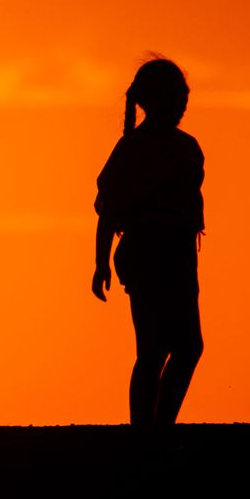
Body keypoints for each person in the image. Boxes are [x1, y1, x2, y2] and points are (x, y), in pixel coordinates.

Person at [92, 57, 205, 427]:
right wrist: (100, 263)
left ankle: (159, 426)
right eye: (177, 96)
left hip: (181, 258)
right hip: (146, 258)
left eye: (184, 96)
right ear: (155, 101)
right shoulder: (132, 149)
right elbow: (107, 210)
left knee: (188, 347)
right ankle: (145, 430)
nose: (183, 103)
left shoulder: (189, 148)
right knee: (154, 349)